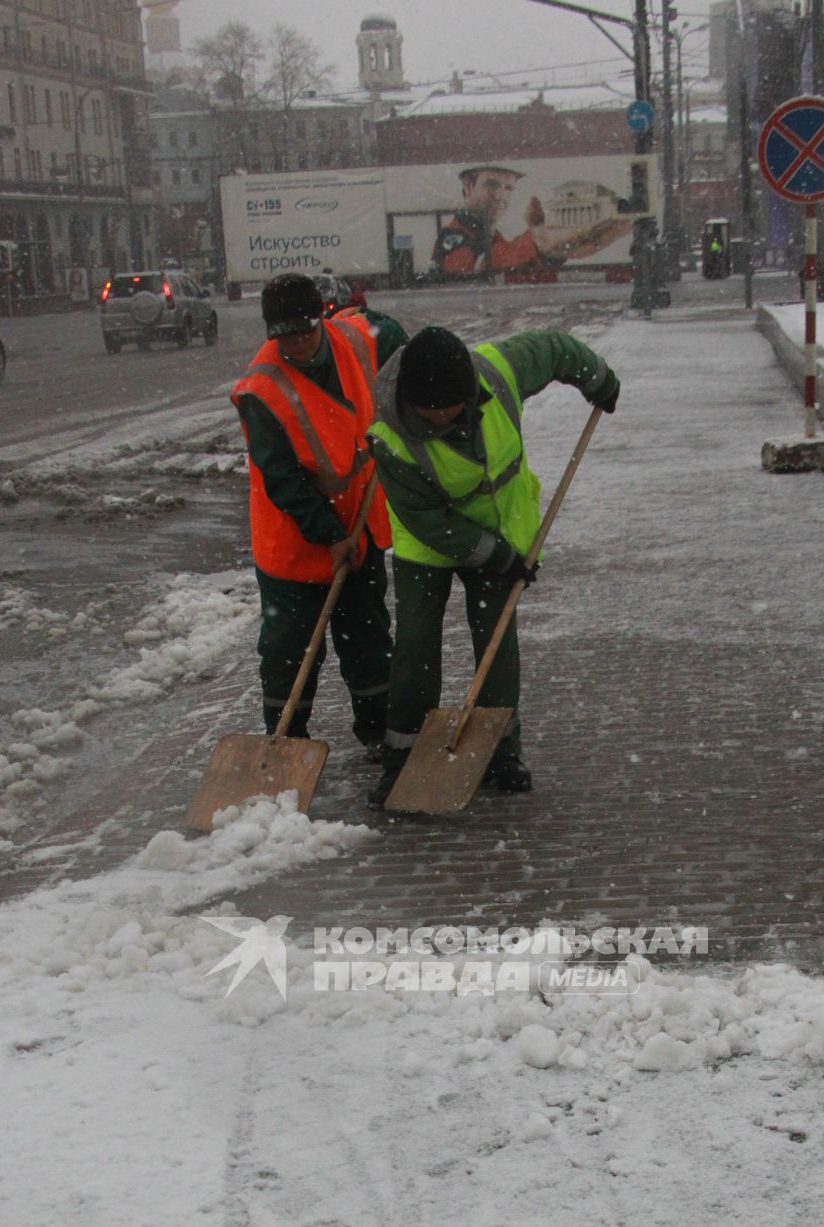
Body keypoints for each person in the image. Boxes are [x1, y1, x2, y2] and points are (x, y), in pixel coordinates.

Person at [365, 325, 620, 804]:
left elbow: (554, 348)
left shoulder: (497, 371)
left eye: (449, 408)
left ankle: (502, 749)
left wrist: (597, 377)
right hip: (431, 541)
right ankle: (401, 756)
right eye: (430, 412)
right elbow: (426, 519)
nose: (440, 417)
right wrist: (496, 555)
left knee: (496, 639)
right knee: (417, 643)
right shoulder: (389, 436)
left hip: (501, 526)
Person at [231, 272, 407, 750]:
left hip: (360, 527)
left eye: (306, 330)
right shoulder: (260, 389)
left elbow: (392, 338)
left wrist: (406, 389)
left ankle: (379, 734)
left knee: (368, 640)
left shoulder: (353, 337)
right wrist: (330, 536)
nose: (298, 343)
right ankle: (286, 741)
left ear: (322, 320)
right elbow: (284, 480)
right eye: (285, 335)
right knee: (289, 651)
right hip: (293, 543)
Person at [434, 164, 630, 281]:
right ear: (468, 187)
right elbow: (463, 276)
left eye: (509, 188)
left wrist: (550, 255)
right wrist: (536, 242)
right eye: (491, 185)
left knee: (582, 243)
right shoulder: (453, 237)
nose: (501, 195)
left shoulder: (491, 238)